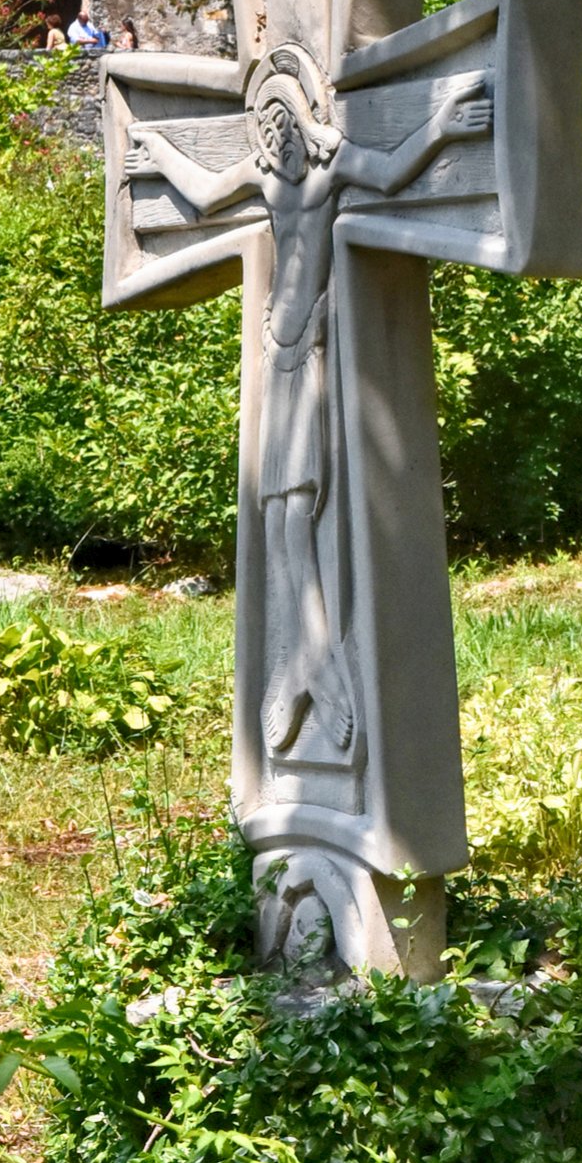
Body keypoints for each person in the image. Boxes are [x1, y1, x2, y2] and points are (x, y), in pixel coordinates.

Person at [125, 59, 491, 758]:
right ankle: (307, 667)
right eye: (264, 126)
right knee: (278, 516)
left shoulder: (327, 174)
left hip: (312, 356)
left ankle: (310, 673)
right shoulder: (265, 180)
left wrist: (442, 127)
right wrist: (155, 147)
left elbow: (385, 173)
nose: (274, 137)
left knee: (297, 515)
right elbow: (202, 194)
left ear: (301, 120)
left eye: (282, 122)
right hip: (274, 352)